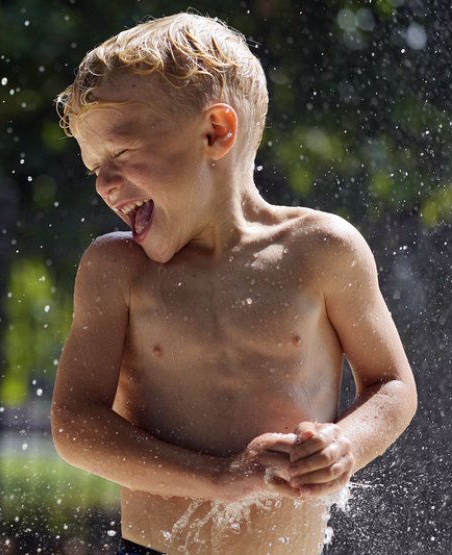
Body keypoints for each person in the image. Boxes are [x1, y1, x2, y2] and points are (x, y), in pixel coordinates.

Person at [50, 12, 417, 555]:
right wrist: (219, 477)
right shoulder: (117, 270)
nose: (104, 183)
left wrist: (345, 444)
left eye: (121, 154)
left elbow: (392, 385)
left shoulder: (320, 250)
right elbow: (75, 427)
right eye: (93, 166)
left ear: (215, 132)